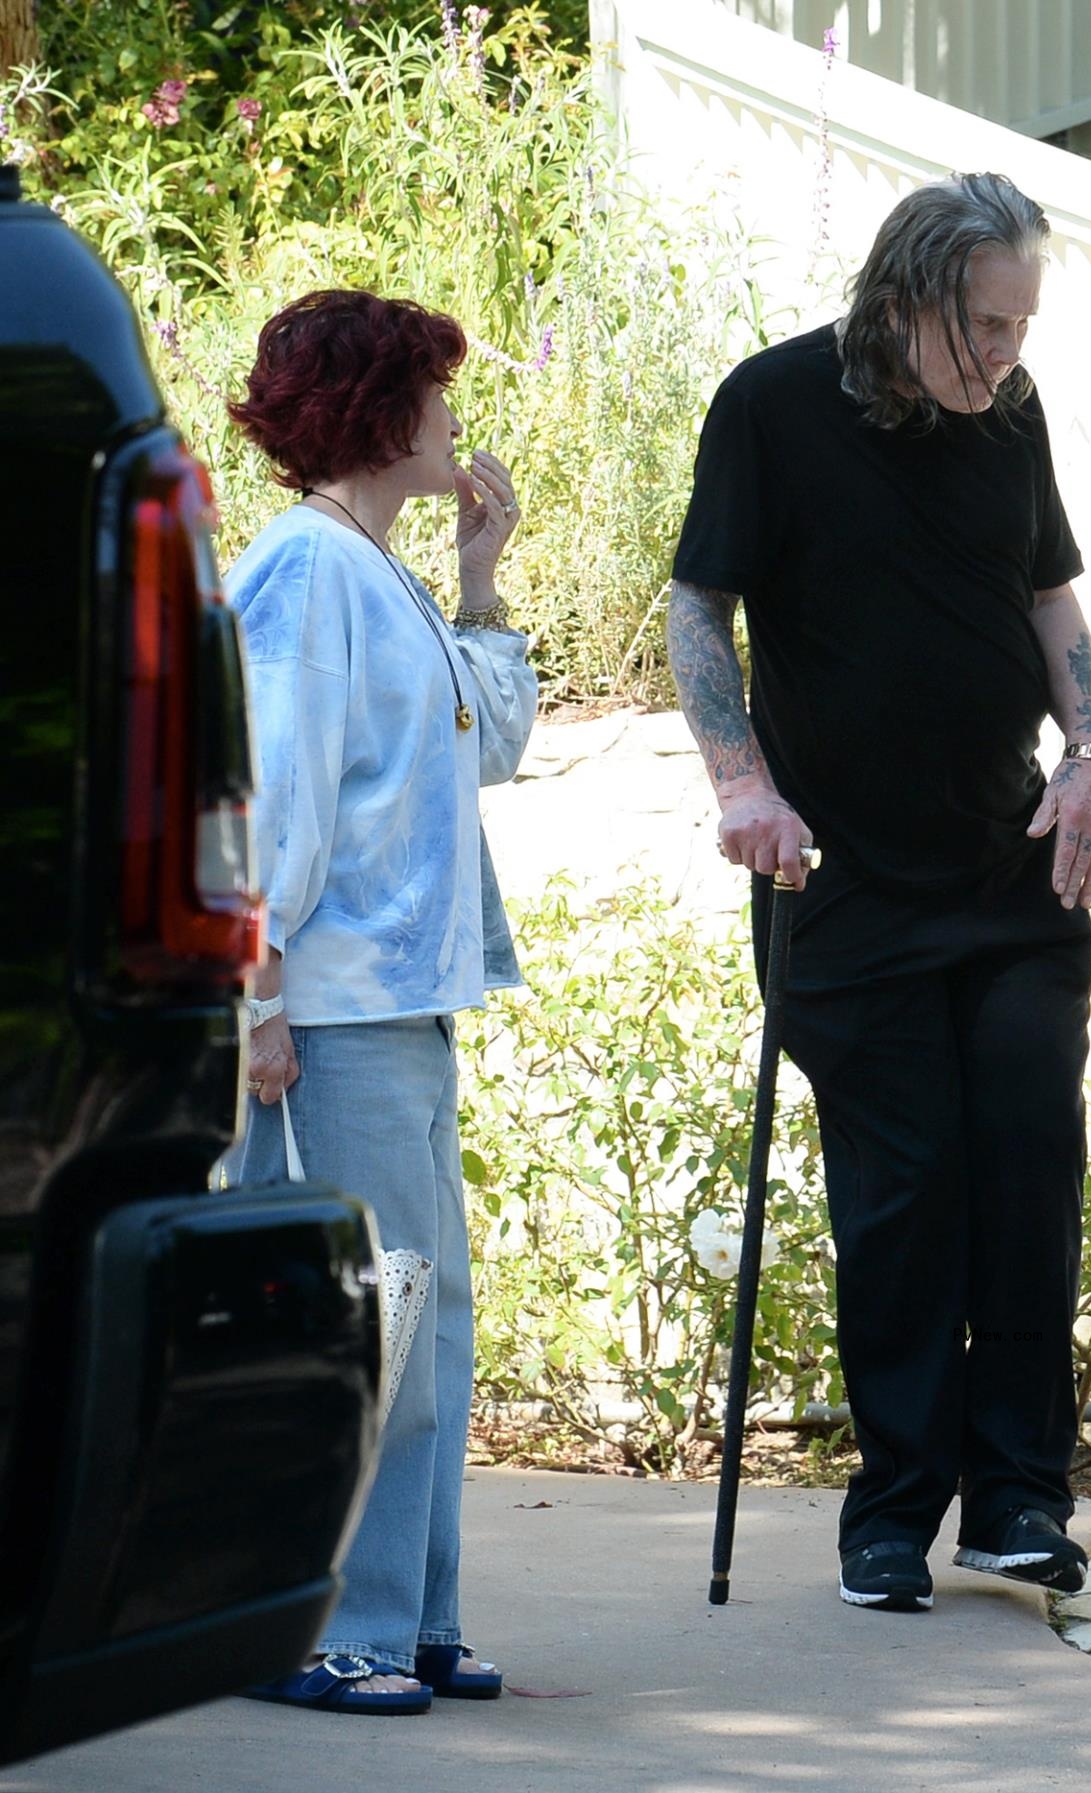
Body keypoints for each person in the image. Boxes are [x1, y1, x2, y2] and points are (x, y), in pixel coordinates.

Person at [668, 172, 1091, 1614]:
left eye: (1021, 328)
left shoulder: (1015, 412)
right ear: (905, 294)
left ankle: (1018, 1502)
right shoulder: (773, 405)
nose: (1004, 357)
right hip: (845, 882)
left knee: (1026, 1173)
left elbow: (1051, 595)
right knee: (905, 1187)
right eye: (984, 326)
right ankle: (893, 1509)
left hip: (1009, 864)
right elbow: (700, 604)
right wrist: (742, 782)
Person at [224, 289, 538, 1711]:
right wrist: (260, 997)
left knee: (430, 1322)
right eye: (435, 386)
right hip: (333, 1012)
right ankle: (312, 1622)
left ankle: (406, 1611)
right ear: (381, 408)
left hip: (397, 1008)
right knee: (369, 1322)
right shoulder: (304, 571)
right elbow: (266, 797)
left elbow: (483, 745)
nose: (456, 417)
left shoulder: (373, 564)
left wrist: (481, 577)